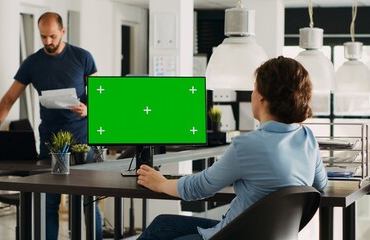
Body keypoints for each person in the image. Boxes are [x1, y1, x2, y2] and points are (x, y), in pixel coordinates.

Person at [136, 56, 328, 240]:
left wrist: (161, 183)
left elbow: (200, 187)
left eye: (254, 89)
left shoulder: (247, 145)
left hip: (236, 234)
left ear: (261, 97)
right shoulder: (307, 138)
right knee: (161, 225)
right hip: (267, 234)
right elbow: (320, 186)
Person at [0, 12, 103, 240]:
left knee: (89, 199)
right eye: (43, 37)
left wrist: (88, 108)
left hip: (82, 141)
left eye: (52, 36)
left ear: (62, 32)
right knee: (49, 201)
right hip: (50, 141)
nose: (48, 42)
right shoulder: (32, 63)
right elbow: (9, 98)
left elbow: (100, 95)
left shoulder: (82, 57)